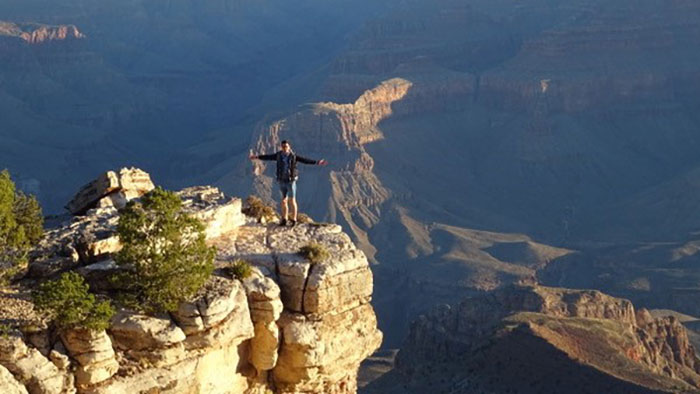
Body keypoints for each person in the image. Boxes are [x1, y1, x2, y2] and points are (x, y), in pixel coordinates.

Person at [249, 140, 327, 226]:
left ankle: (294, 220)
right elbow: (268, 157)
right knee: (283, 201)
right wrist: (257, 157)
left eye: (286, 146)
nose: (284, 148)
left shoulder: (293, 156)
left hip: (291, 181)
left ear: (289, 147)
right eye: (283, 146)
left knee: (292, 200)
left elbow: (305, 160)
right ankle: (284, 219)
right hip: (282, 181)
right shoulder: (278, 156)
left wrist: (317, 162)